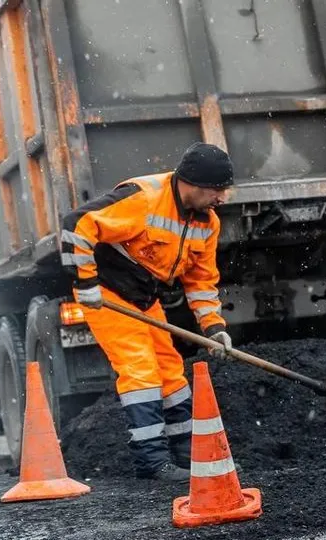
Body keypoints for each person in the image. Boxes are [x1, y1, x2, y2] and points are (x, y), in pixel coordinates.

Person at [60, 142, 235, 482]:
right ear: (194, 184)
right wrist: (85, 282)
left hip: (144, 297)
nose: (223, 198)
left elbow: (201, 282)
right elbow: (77, 223)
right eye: (218, 190)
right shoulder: (144, 198)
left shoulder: (207, 223)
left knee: (171, 372)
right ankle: (151, 462)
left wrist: (214, 328)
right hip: (108, 294)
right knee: (140, 372)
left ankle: (187, 457)